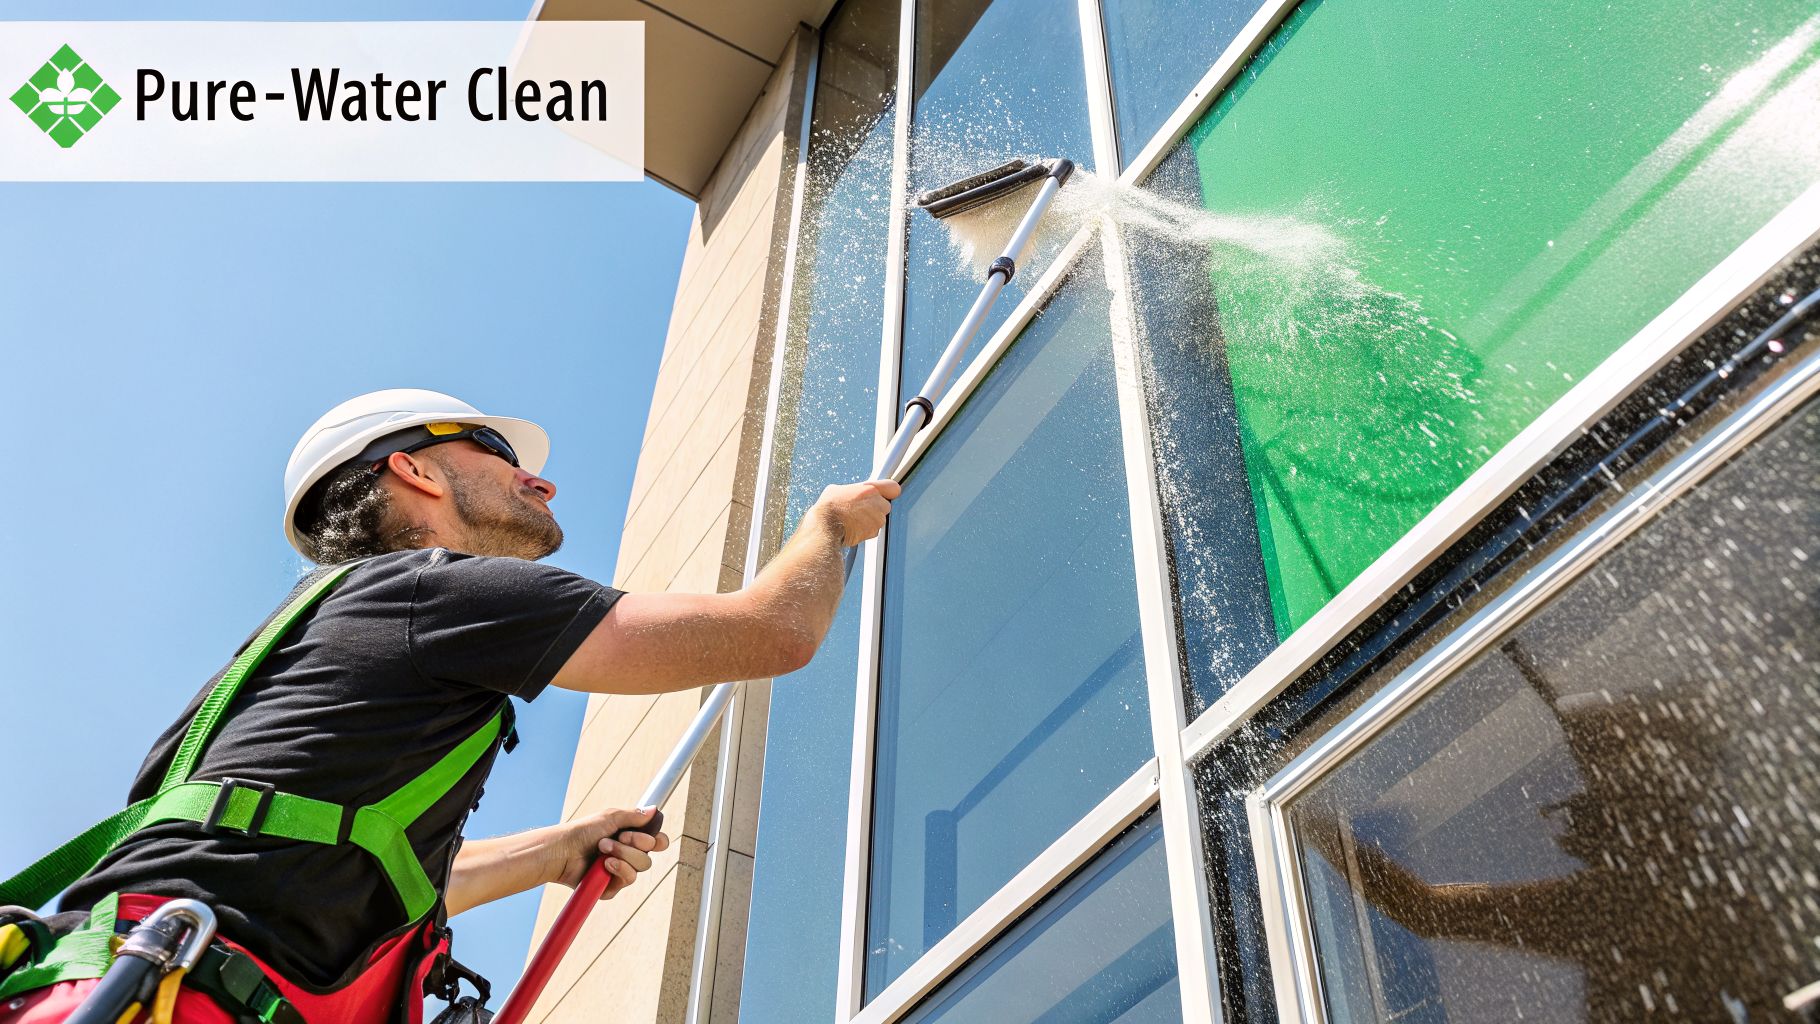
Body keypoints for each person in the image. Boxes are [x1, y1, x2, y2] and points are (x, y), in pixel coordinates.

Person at [0, 389, 898, 1023]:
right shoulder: (436, 590)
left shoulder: (297, 658)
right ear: (413, 472)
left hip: (149, 983)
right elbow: (770, 634)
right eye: (503, 459)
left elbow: (337, 862)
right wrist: (827, 528)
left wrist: (554, 850)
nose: (539, 483)